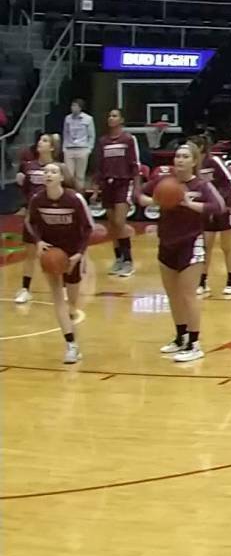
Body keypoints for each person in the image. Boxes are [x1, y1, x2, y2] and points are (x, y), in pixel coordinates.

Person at [154, 143, 226, 363]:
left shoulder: (201, 186)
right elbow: (140, 194)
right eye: (177, 156)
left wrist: (188, 204)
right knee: (173, 296)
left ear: (194, 161)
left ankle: (194, 344)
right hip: (166, 243)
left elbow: (219, 207)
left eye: (185, 156)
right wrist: (156, 200)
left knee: (188, 295)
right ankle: (180, 337)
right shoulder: (165, 183)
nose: (180, 160)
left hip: (190, 244)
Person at [23, 160, 95, 364]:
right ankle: (71, 345)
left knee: (72, 305)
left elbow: (89, 228)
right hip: (51, 253)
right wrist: (38, 242)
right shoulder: (37, 199)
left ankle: (72, 326)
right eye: (46, 172)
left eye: (53, 172)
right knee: (57, 300)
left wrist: (79, 255)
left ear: (62, 177)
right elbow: (30, 222)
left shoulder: (74, 199)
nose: (48, 174)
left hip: (72, 254)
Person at [193, 129, 231, 300]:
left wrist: (226, 202)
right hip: (208, 208)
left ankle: (230, 281)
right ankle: (202, 282)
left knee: (226, 246)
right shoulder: (193, 166)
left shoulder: (214, 161)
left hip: (224, 208)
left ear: (200, 148)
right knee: (206, 246)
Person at [94, 109, 143, 279]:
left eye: (114, 115)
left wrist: (137, 187)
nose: (111, 118)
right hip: (107, 184)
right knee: (112, 225)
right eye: (109, 115)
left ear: (121, 119)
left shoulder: (128, 139)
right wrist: (96, 188)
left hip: (123, 183)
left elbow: (135, 165)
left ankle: (128, 261)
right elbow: (99, 166)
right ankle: (119, 258)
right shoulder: (103, 141)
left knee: (119, 222)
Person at [13, 133, 57, 303]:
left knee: (57, 253)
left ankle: (62, 288)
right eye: (40, 140)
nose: (40, 142)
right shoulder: (29, 166)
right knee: (30, 253)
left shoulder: (57, 167)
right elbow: (25, 190)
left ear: (52, 147)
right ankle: (25, 289)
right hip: (34, 216)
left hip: (52, 215)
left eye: (45, 141)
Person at [60, 98, 94, 186]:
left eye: (75, 106)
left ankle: (79, 195)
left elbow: (91, 135)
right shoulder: (67, 118)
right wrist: (64, 148)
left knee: (80, 176)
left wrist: (89, 149)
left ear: (80, 108)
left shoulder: (88, 119)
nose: (73, 108)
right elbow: (65, 134)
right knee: (69, 175)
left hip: (82, 149)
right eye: (72, 105)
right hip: (69, 149)